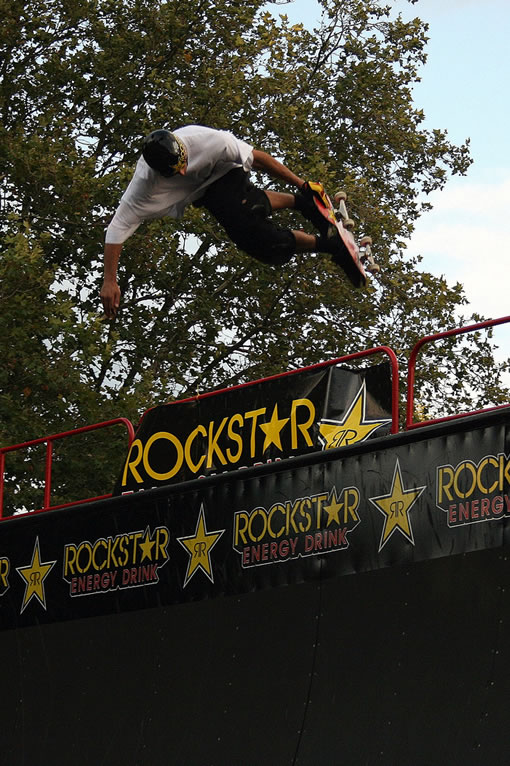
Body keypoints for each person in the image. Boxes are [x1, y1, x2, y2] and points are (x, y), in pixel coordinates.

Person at [100, 125, 343, 318]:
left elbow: (257, 158)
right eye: (175, 172)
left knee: (245, 214)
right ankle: (326, 241)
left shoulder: (211, 142)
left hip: (224, 172)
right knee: (265, 247)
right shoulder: (143, 187)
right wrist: (110, 280)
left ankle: (307, 206)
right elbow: (117, 228)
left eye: (183, 164)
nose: (183, 173)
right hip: (203, 195)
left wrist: (302, 184)